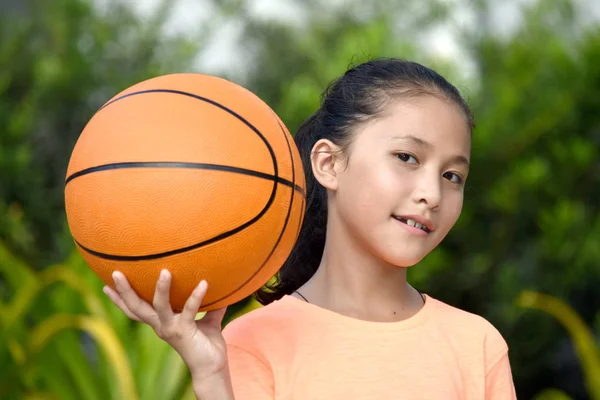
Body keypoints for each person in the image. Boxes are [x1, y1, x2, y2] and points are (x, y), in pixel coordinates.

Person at [103, 58, 517, 399]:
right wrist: (212, 376)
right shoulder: (253, 341)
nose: (432, 193)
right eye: (407, 157)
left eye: (452, 176)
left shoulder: (476, 346)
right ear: (329, 164)